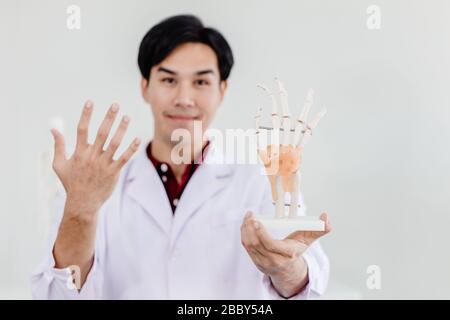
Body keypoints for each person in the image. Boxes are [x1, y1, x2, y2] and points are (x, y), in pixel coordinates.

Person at [31, 14, 331, 299]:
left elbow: (305, 281)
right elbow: (57, 296)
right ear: (145, 87)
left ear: (222, 90)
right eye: (168, 80)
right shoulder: (93, 185)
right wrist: (81, 212)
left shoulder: (261, 179)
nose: (184, 99)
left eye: (201, 82)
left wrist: (286, 268)